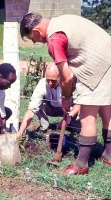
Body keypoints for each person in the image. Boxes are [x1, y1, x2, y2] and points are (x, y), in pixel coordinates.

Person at [20, 12, 111, 175]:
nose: (35, 41)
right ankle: (108, 155)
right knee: (106, 111)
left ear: (35, 32)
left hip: (96, 66)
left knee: (87, 117)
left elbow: (66, 76)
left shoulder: (54, 39)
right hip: (107, 57)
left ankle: (81, 165)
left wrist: (66, 98)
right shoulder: (61, 21)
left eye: (32, 38)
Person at [16, 62, 80, 139]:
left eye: (53, 80)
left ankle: (72, 126)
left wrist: (67, 118)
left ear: (59, 77)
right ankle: (44, 126)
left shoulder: (69, 82)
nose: (50, 83)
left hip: (69, 110)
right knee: (37, 104)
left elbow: (79, 103)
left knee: (78, 124)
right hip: (51, 108)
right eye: (48, 80)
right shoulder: (42, 84)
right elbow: (31, 110)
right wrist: (20, 132)